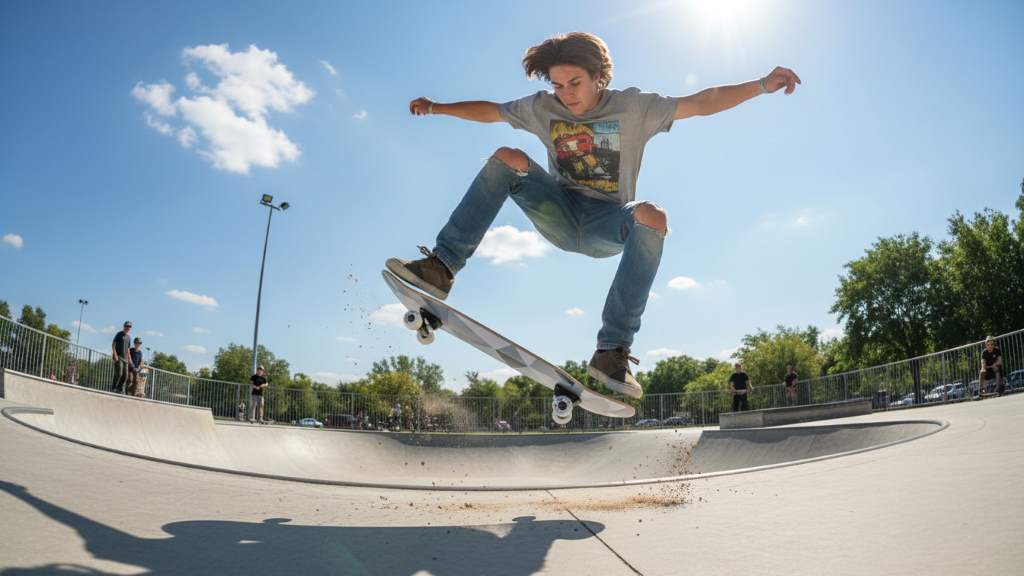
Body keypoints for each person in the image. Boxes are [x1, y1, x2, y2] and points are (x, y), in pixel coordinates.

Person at [388, 32, 800, 400]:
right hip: (560, 213)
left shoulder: (635, 108)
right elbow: (491, 110)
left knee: (653, 216)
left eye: (575, 83)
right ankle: (441, 267)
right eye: (558, 85)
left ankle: (611, 351)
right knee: (507, 157)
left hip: (607, 223)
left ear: (599, 75)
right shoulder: (541, 108)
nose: (566, 94)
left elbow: (701, 102)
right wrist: (437, 107)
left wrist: (761, 85)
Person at [110, 321, 132, 393]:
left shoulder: (129, 338)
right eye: (126, 326)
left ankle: (119, 388)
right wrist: (115, 354)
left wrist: (129, 359)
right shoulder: (119, 334)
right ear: (124, 326)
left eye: (129, 327)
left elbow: (128, 349)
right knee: (119, 373)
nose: (127, 328)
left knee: (125, 375)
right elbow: (113, 344)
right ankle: (114, 387)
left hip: (125, 358)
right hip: (119, 356)